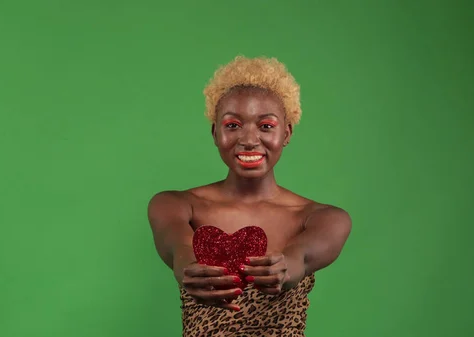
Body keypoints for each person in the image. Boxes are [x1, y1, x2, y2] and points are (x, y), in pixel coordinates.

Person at [148, 56, 352, 336]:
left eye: (266, 126)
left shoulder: (323, 218)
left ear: (286, 132)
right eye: (232, 125)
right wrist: (189, 267)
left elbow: (300, 258)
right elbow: (177, 246)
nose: (248, 139)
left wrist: (285, 268)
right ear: (215, 132)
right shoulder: (176, 204)